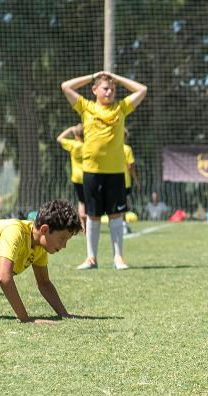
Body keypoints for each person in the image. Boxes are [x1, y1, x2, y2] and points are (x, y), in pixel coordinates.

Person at [61, 71, 147, 270]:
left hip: (116, 172)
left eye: (112, 89)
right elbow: (66, 86)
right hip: (91, 170)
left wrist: (116, 78)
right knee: (92, 215)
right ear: (95, 90)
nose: (109, 92)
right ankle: (91, 258)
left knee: (116, 216)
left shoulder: (121, 108)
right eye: (105, 88)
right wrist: (93, 76)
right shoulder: (86, 107)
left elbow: (142, 90)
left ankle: (118, 258)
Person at [0, 199, 83, 323]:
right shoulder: (15, 232)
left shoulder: (39, 248)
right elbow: (4, 278)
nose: (64, 245)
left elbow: (44, 283)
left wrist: (64, 314)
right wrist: (25, 318)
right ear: (44, 230)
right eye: (62, 239)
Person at [56, 124, 86, 226]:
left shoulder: (73, 145)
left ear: (76, 135)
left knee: (81, 201)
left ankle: (82, 225)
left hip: (76, 178)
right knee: (88, 200)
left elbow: (59, 138)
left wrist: (70, 129)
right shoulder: (88, 145)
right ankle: (89, 222)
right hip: (88, 177)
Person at [122, 128, 140, 234]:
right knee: (124, 204)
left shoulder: (113, 148)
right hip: (125, 181)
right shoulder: (127, 149)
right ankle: (123, 224)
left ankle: (119, 224)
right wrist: (136, 181)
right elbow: (130, 167)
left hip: (111, 179)